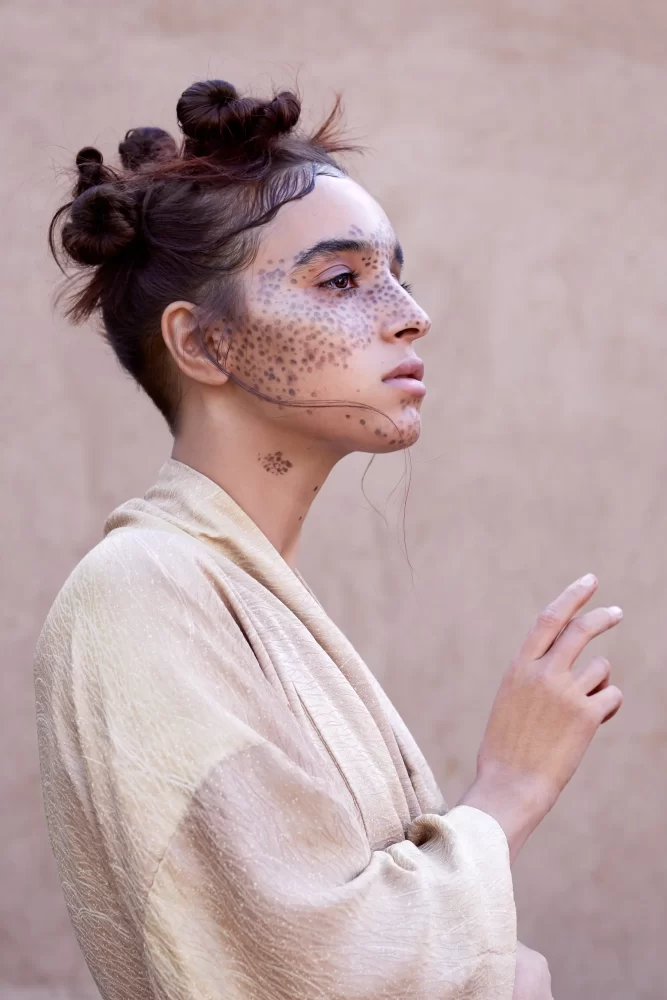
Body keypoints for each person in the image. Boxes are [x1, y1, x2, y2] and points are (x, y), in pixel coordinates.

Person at [35, 79, 623, 1000]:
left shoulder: (235, 592)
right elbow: (307, 962)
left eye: (398, 273)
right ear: (202, 345)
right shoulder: (139, 594)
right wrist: (509, 787)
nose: (409, 311)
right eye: (342, 279)